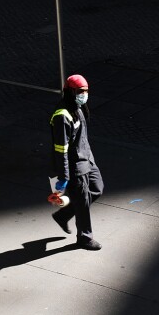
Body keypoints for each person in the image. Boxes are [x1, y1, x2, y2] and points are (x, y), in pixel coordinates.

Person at [49, 74, 104, 251]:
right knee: (82, 202)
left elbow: (82, 138)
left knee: (97, 188)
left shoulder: (77, 107)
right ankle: (84, 238)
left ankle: (63, 215)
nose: (84, 95)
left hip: (86, 159)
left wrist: (89, 158)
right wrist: (64, 177)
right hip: (75, 166)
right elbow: (61, 150)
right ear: (71, 92)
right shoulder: (62, 116)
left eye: (86, 91)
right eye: (80, 91)